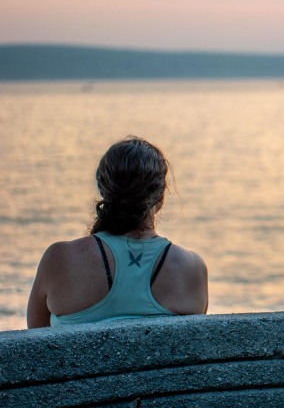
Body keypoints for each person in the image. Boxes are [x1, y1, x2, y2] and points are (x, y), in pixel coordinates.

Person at [27, 137, 208, 328]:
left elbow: (35, 344)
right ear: (161, 197)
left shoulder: (59, 259)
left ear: (103, 190)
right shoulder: (192, 268)